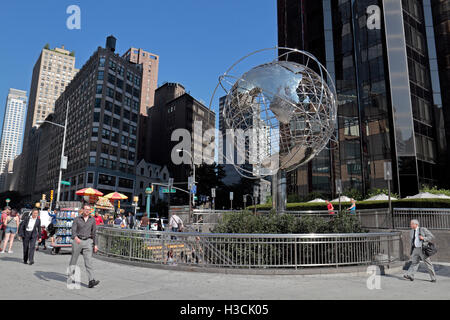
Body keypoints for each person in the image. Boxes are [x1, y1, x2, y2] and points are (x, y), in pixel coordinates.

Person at [69, 203, 100, 289]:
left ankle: (91, 280)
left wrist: (95, 244)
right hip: (78, 241)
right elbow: (73, 230)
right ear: (82, 210)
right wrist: (75, 238)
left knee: (88, 262)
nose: (87, 211)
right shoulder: (77, 219)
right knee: (73, 260)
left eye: (89, 210)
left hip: (88, 241)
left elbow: (94, 233)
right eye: (86, 209)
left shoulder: (92, 220)